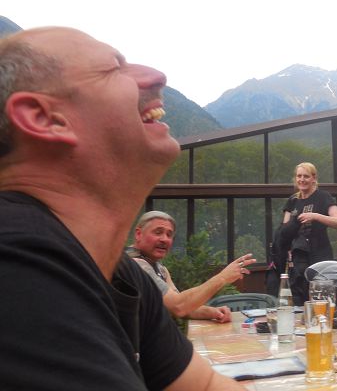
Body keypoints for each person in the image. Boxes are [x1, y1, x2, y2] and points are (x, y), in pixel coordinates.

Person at [0, 27, 244, 390]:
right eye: (114, 69)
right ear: (43, 118)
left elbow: (205, 385)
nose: (157, 76)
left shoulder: (120, 273)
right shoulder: (17, 264)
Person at [127, 210, 256, 321]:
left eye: (169, 234)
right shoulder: (135, 264)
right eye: (158, 232)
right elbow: (179, 307)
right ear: (138, 234)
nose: (164, 239)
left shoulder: (160, 268)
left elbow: (182, 306)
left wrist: (213, 312)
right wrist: (222, 278)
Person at [278, 162, 337, 305]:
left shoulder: (322, 196)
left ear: (314, 178)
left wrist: (315, 216)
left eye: (306, 176)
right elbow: (283, 232)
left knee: (321, 300)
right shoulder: (293, 200)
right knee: (299, 299)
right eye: (299, 176)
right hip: (298, 259)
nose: (302, 180)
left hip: (319, 257)